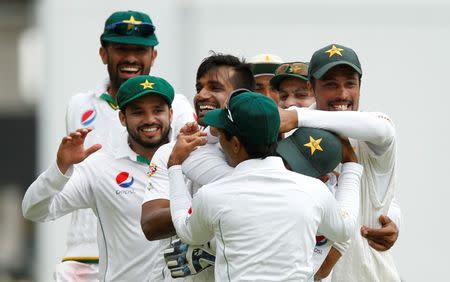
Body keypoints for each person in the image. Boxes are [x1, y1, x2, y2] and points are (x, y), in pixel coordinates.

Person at [167, 91, 362, 281]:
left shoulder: (212, 195)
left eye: (221, 135)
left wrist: (174, 165)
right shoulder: (313, 190)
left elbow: (187, 231)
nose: (218, 138)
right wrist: (352, 166)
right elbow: (345, 229)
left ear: (235, 144)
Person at [62, 10, 194, 280]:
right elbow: (76, 177)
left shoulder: (176, 106)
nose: (131, 58)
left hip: (148, 249)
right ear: (104, 53)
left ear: (153, 55)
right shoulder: (79, 105)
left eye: (140, 50)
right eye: (121, 48)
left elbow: (186, 165)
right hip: (84, 251)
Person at [23, 75, 183, 281]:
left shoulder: (189, 160)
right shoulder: (100, 167)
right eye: (138, 112)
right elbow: (33, 210)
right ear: (122, 118)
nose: (150, 119)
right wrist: (60, 168)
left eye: (158, 110)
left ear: (170, 113)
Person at [279, 43, 401, 281]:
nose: (343, 94)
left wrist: (296, 116)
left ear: (360, 86)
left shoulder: (372, 132)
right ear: (311, 86)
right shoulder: (292, 138)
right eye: (330, 84)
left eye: (350, 83)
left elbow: (383, 129)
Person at [140, 53, 255, 280]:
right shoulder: (171, 151)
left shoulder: (262, 153)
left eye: (215, 87)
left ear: (242, 97)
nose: (202, 95)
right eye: (199, 87)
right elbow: (151, 224)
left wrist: (201, 212)